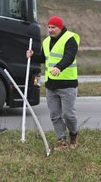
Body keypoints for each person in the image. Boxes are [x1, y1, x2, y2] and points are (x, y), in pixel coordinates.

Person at [26, 16, 80, 150]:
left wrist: (59, 67)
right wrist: (33, 55)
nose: (50, 30)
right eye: (49, 27)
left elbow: (69, 56)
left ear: (60, 28)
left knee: (68, 115)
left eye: (53, 27)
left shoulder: (70, 39)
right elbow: (44, 58)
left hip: (67, 84)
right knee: (55, 115)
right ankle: (61, 140)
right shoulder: (46, 41)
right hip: (51, 85)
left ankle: (74, 135)